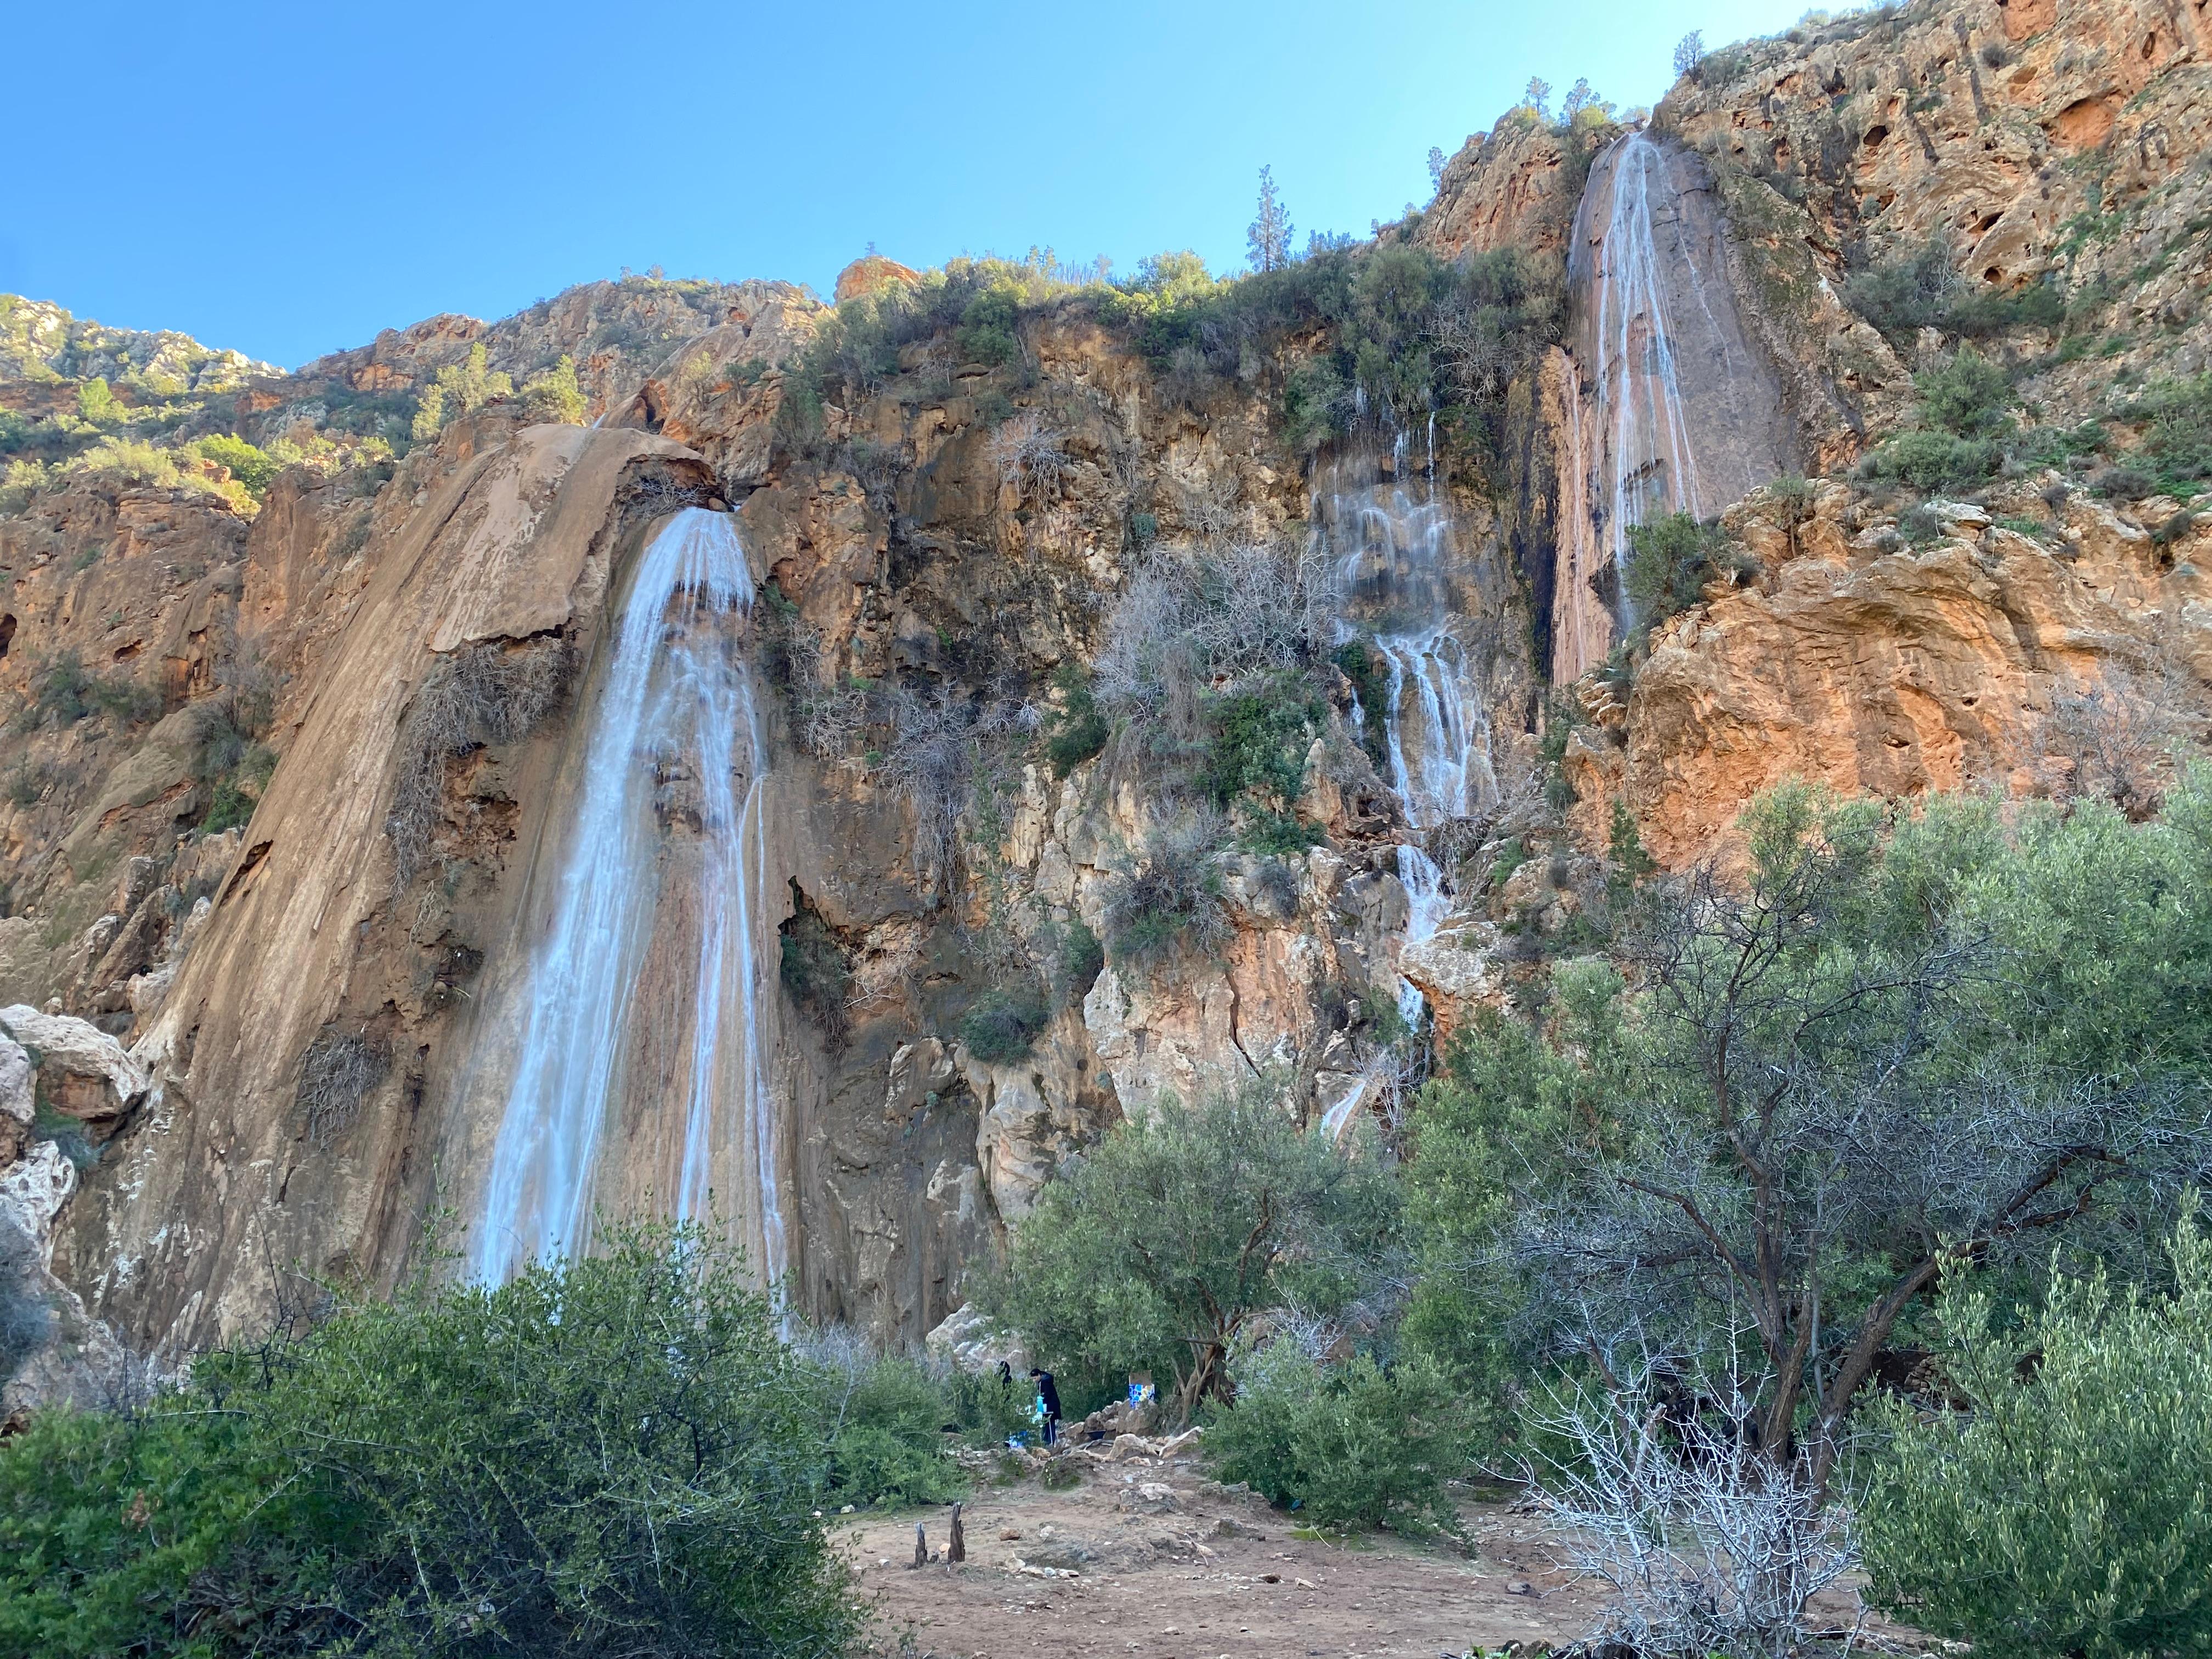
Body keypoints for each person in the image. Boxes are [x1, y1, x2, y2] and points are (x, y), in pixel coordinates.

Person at [1029, 1367, 1062, 1447]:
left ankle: (1051, 1442)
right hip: (1049, 1406)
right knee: (1048, 1424)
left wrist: (1041, 1404)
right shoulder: (1045, 1381)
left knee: (1050, 1424)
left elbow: (1045, 1395)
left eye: (1035, 1378)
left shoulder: (1044, 1382)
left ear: (1039, 1375)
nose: (1035, 1380)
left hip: (1050, 1407)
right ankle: (1048, 1442)